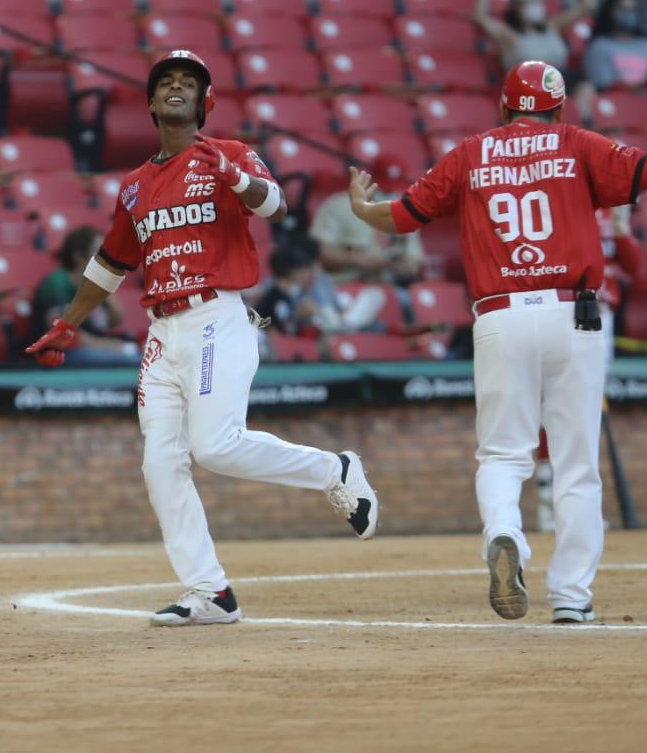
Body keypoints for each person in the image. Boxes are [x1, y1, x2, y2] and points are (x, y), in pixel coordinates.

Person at [346, 59, 647, 623]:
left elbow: (402, 216)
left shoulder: (472, 151)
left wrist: (360, 206)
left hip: (499, 314)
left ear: (504, 107)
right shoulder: (576, 142)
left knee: (502, 452)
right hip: (576, 313)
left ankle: (507, 536)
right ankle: (571, 597)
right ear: (558, 106)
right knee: (575, 463)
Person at [24, 49, 381, 627]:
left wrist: (236, 178)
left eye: (188, 82)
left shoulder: (231, 154)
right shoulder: (136, 186)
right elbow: (110, 263)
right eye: (165, 81)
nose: (175, 87)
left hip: (218, 315)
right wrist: (68, 323)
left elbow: (278, 205)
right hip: (162, 332)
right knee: (160, 464)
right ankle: (210, 592)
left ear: (205, 101)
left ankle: (334, 471)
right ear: (149, 102)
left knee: (215, 446)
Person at [31, 226, 141, 366]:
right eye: (100, 252)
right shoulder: (57, 284)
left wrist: (103, 284)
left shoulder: (92, 283)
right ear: (80, 257)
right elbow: (65, 335)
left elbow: (115, 319)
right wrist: (114, 346)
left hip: (89, 348)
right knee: (131, 360)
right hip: (61, 352)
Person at [584, 0, 647, 93]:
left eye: (633, 10)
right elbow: (603, 87)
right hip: (621, 104)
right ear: (609, 12)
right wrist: (643, 85)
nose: (629, 14)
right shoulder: (599, 47)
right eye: (622, 9)